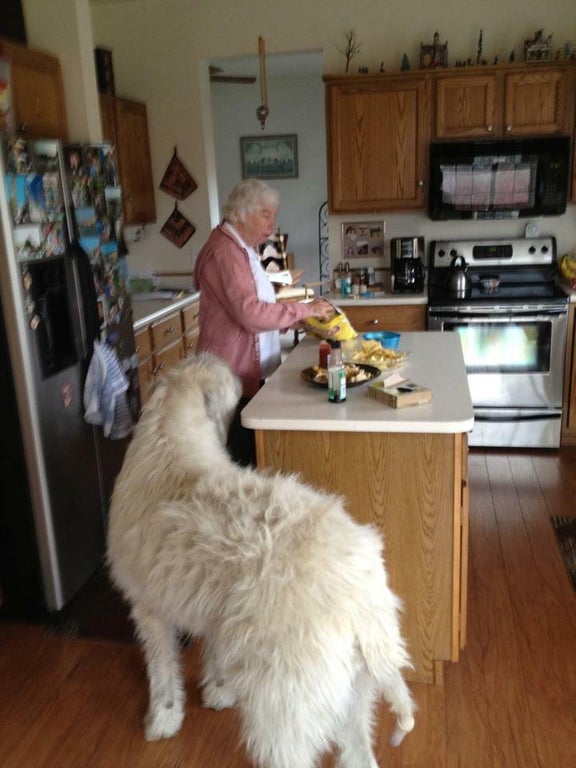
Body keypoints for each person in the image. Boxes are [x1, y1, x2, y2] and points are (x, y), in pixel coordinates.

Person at [194, 178, 334, 465]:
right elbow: (249, 312)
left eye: (274, 216)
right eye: (266, 215)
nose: (272, 224)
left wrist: (293, 323)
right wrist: (303, 310)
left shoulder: (239, 246)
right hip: (229, 374)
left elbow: (259, 308)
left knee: (243, 453)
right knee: (234, 458)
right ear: (243, 212)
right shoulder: (225, 251)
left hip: (240, 373)